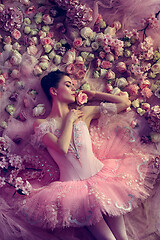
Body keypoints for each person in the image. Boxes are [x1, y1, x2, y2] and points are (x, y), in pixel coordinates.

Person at [15, 70, 158, 240]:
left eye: (73, 86)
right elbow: (61, 148)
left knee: (123, 237)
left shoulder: (86, 112)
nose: (73, 89)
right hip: (74, 192)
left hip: (103, 180)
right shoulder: (42, 124)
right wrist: (69, 120)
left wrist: (94, 94)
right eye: (68, 85)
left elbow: (124, 103)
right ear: (54, 91)